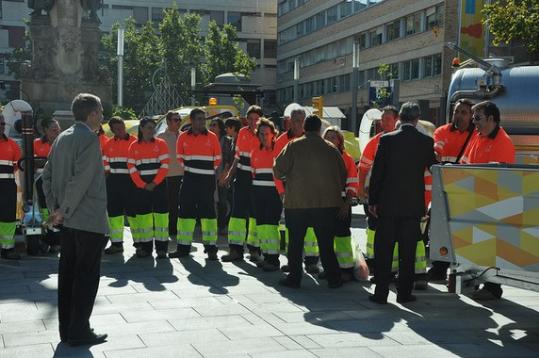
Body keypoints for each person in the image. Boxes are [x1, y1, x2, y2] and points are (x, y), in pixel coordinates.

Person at [42, 93, 108, 345]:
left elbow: (45, 177)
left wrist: (55, 209)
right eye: (100, 112)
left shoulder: (61, 137)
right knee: (86, 277)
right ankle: (79, 331)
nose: (102, 116)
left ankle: (66, 330)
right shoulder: (89, 139)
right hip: (87, 220)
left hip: (67, 223)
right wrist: (63, 209)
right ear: (91, 114)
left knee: (68, 276)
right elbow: (81, 180)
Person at [368, 102, 437, 304]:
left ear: (400, 118)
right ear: (417, 120)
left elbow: (377, 173)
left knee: (384, 251)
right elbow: (433, 167)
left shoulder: (387, 140)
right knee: (407, 253)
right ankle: (404, 294)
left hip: (387, 205)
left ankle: (381, 293)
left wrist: (373, 200)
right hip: (412, 207)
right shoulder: (425, 141)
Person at [274, 114, 346, 289]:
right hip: (326, 204)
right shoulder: (331, 149)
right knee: (326, 244)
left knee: (296, 243)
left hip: (298, 203)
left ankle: (294, 278)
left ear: (305, 127)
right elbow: (342, 174)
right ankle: (334, 278)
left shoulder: (293, 146)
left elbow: (278, 170)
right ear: (319, 128)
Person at [461, 100, 515, 301]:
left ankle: (493, 288)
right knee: (481, 246)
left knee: (492, 248)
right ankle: (482, 281)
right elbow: (466, 164)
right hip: (477, 201)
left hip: (493, 203)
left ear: (491, 119)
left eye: (477, 118)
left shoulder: (503, 142)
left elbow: (498, 178)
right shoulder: (479, 136)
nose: (473, 122)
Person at [428, 99, 475, 281]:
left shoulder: (476, 135)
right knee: (441, 230)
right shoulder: (442, 131)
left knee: (465, 234)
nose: (459, 116)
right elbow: (436, 152)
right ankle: (439, 268)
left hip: (467, 192)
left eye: (464, 112)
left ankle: (465, 274)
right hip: (444, 191)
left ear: (471, 116)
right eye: (457, 112)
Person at [170, 108, 222, 260]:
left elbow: (217, 159)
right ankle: (183, 248)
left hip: (207, 182)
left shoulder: (212, 137)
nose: (201, 122)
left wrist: (205, 171)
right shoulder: (183, 137)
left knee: (209, 215)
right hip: (189, 180)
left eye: (203, 119)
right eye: (198, 119)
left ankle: (211, 248)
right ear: (191, 120)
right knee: (185, 214)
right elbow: (179, 157)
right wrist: (191, 170)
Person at [274, 108, 320, 274]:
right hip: (290, 191)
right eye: (294, 121)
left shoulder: (314, 140)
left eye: (301, 121)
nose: (297, 124)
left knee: (311, 228)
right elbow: (276, 169)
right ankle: (293, 261)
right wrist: (281, 192)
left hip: (310, 192)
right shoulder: (281, 141)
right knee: (291, 227)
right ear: (289, 122)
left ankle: (311, 261)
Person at [357, 106, 399, 269]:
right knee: (374, 227)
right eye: (382, 119)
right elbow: (363, 167)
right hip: (376, 195)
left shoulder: (400, 141)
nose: (384, 123)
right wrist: (361, 189)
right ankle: (373, 259)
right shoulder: (374, 142)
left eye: (387, 119)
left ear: (397, 120)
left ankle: (392, 265)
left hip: (394, 195)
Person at [221, 106, 263, 262]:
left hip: (258, 179)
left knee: (255, 215)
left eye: (256, 119)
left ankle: (254, 250)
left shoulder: (267, 133)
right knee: (237, 214)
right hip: (242, 178)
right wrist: (229, 176)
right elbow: (237, 158)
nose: (253, 122)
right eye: (250, 119)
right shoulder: (243, 132)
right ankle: (235, 250)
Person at [127, 117, 170, 259]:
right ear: (142, 129)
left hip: (159, 185)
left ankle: (162, 249)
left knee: (161, 217)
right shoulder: (134, 146)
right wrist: (142, 184)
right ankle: (145, 249)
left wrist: (154, 183)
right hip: (141, 187)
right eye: (149, 128)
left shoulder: (161, 144)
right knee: (143, 217)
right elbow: (131, 168)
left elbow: (165, 165)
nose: (151, 131)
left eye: (153, 128)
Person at [323, 126, 358, 281]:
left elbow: (352, 184)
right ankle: (330, 267)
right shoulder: (319, 157)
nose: (330, 140)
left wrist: (346, 205)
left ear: (340, 141)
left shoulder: (347, 158)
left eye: (333, 137)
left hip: (341, 202)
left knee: (342, 236)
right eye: (328, 137)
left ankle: (346, 270)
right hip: (324, 203)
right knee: (326, 237)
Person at [250, 118, 283, 271]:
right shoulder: (255, 151)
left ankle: (274, 259)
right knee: (262, 226)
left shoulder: (279, 151)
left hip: (273, 194)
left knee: (271, 225)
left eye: (267, 133)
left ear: (273, 134)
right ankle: (266, 256)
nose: (264, 136)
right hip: (258, 194)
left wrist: (282, 193)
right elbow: (254, 174)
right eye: (261, 134)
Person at [102, 116, 137, 254]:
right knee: (114, 214)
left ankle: (139, 243)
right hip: (114, 183)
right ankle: (116, 244)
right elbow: (105, 165)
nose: (120, 130)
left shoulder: (135, 142)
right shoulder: (108, 145)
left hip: (131, 182)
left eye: (121, 127)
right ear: (112, 130)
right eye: (116, 129)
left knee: (133, 214)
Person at [34, 118, 61, 252]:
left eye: (58, 129)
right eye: (53, 130)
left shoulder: (62, 143)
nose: (57, 132)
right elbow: (32, 163)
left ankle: (56, 241)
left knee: (56, 209)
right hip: (40, 182)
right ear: (45, 130)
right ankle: (47, 238)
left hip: (58, 182)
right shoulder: (36, 143)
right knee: (44, 210)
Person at [158, 111, 184, 244]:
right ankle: (170, 228)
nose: (178, 122)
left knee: (182, 204)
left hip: (184, 175)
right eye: (175, 120)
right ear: (168, 122)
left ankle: (179, 228)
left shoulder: (185, 136)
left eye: (179, 120)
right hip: (168, 175)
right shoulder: (161, 137)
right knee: (170, 204)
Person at [0, 115, 22, 260]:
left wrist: (20, 193)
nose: (2, 125)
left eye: (3, 123)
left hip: (8, 187)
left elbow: (18, 169)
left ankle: (7, 249)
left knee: (8, 217)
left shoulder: (12, 145)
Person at [210, 117, 234, 233]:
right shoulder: (208, 139)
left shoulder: (227, 140)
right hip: (210, 174)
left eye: (214, 125)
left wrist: (224, 174)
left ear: (220, 128)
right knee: (211, 201)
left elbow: (229, 159)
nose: (211, 127)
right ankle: (212, 226)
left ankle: (222, 226)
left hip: (222, 173)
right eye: (211, 125)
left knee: (223, 201)